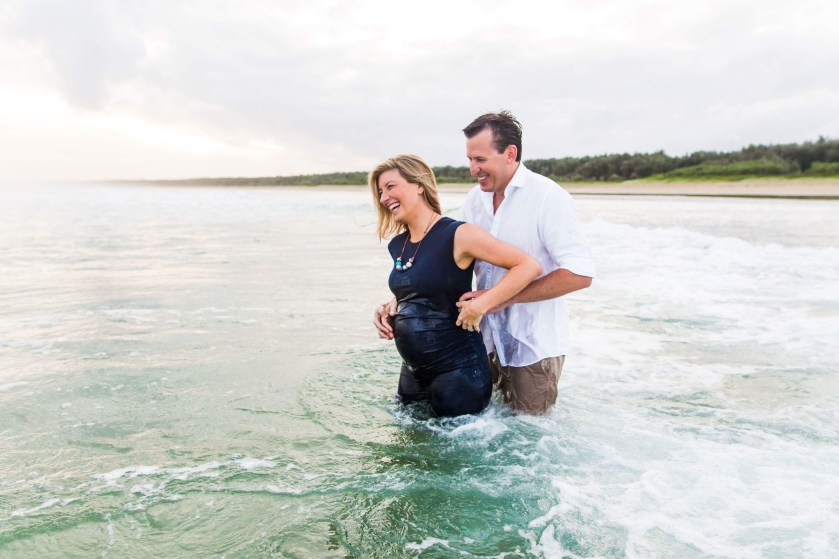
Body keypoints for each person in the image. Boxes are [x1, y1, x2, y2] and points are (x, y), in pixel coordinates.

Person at [375, 112, 595, 414]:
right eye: (469, 159)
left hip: (532, 344)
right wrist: (401, 300)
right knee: (481, 431)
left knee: (526, 434)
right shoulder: (474, 201)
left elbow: (580, 274)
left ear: (510, 154)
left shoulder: (547, 197)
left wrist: (498, 300)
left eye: (480, 159)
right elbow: (442, 264)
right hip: (482, 339)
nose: (472, 169)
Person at [370, 154, 541, 417]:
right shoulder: (398, 245)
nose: (384, 198)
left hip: (458, 373)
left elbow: (528, 266)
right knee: (404, 440)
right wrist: (391, 307)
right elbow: (424, 287)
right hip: (414, 372)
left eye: (390, 186)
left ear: (419, 185)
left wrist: (482, 305)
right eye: (380, 192)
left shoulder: (459, 234)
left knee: (453, 443)